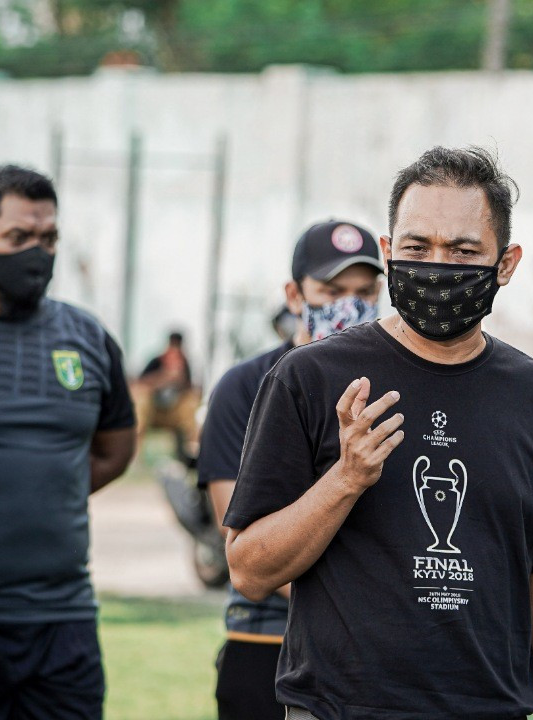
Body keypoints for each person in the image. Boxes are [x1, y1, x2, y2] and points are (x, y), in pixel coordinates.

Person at [224, 147, 533, 719]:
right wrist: (346, 478)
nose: (437, 265)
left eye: (462, 250)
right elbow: (249, 570)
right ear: (388, 254)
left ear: (505, 264)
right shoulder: (308, 378)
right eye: (416, 247)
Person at [0, 165, 137, 720]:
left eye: (49, 239)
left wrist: (48, 490)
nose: (37, 254)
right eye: (18, 238)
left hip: (62, 616)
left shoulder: (87, 336)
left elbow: (115, 450)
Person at [198, 219, 384, 720]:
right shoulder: (244, 388)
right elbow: (237, 537)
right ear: (295, 294)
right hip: (268, 641)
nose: (351, 305)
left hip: (375, 659)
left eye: (366, 291)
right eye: (332, 289)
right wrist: (365, 606)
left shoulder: (392, 386)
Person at [134, 330, 199, 462]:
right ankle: (134, 454)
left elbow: (190, 388)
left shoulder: (185, 364)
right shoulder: (157, 361)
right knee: (141, 399)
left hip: (174, 412)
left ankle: (191, 454)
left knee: (191, 402)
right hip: (153, 411)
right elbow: (140, 382)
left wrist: (178, 379)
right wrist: (163, 378)